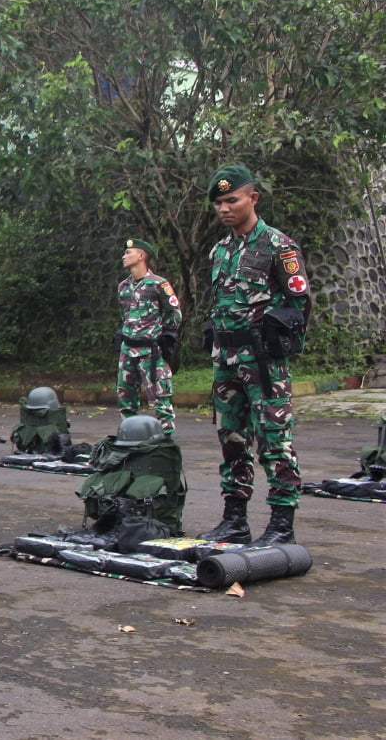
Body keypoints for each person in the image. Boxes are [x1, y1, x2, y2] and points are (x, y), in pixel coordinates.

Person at [198, 165, 311, 548]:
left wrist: (276, 337)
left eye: (232, 200)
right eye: (219, 203)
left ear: (253, 198)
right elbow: (221, 302)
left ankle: (281, 524)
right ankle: (234, 520)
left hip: (263, 363)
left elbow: (299, 306)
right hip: (226, 359)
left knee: (274, 441)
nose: (224, 208)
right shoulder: (221, 250)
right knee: (231, 440)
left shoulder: (279, 246)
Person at [115, 239, 182, 435]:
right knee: (125, 400)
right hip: (127, 350)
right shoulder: (123, 287)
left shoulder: (159, 284)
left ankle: (166, 443)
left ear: (142, 255)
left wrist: (162, 335)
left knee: (161, 400)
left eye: (128, 252)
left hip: (151, 352)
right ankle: (130, 439)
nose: (124, 256)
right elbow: (124, 314)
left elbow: (174, 313)